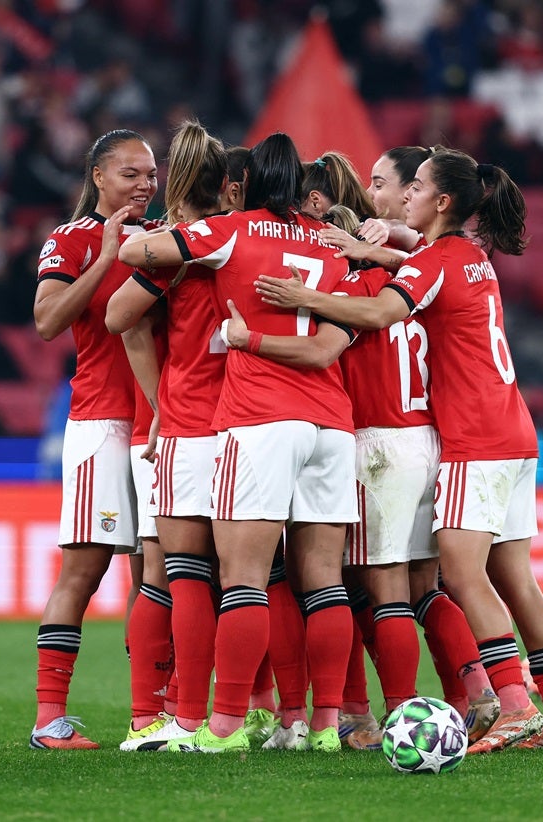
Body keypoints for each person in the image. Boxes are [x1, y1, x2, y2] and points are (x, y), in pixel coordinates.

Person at [255, 147, 543, 752]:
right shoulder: (470, 257)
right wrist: (375, 249)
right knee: (514, 579)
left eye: (415, 188)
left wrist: (305, 298)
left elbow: (383, 309)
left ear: (441, 201)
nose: (403, 195)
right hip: (514, 432)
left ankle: (511, 705)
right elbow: (414, 259)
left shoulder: (433, 260)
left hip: (470, 438)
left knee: (454, 575)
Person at [120, 132, 358, 754]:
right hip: (333, 422)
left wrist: (153, 235)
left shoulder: (232, 231)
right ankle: (324, 725)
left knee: (238, 579)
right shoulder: (332, 247)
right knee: (322, 581)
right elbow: (338, 337)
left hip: (257, 419)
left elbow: (133, 264)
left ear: (245, 184)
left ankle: (217, 724)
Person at [315, 147, 499, 750]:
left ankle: (393, 715)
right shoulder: (420, 271)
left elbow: (330, 348)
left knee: (379, 587)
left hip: (377, 444)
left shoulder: (354, 289)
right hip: (427, 439)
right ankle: (475, 691)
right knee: (426, 587)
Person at [106, 121, 241, 751]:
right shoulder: (250, 238)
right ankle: (265, 713)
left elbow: (120, 319)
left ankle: (162, 715)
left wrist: (158, 405)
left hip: (183, 423)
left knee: (169, 572)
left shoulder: (177, 249)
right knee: (258, 578)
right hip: (254, 424)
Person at [30, 129, 160, 750]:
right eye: (131, 173)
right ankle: (49, 718)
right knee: (83, 571)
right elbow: (49, 321)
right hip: (102, 424)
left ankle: (148, 714)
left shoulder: (168, 239)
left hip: (164, 426)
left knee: (157, 575)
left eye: (151, 173)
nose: (144, 183)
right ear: (99, 176)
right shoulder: (71, 238)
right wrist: (107, 256)